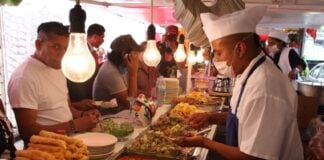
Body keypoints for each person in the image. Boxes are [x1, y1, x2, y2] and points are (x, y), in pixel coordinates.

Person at [173, 6, 304, 160]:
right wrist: (210, 117)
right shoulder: (248, 73)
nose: (217, 60)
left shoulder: (265, 88)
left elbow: (253, 157)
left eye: (219, 53)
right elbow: (241, 116)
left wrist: (204, 142)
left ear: (240, 48)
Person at [7, 22, 100, 146]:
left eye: (66, 48)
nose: (62, 53)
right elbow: (27, 132)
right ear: (38, 45)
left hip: (70, 141)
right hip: (46, 149)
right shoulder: (24, 77)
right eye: (56, 47)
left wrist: (84, 115)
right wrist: (74, 126)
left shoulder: (58, 67)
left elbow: (64, 107)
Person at [93, 34, 143, 115]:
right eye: (135, 53)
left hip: (119, 114)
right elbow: (131, 104)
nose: (137, 57)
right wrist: (133, 73)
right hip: (107, 120)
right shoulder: (111, 72)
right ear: (125, 55)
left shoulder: (119, 67)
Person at [67, 23, 105, 102]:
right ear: (95, 37)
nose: (103, 40)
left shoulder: (90, 50)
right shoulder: (82, 49)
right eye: (102, 37)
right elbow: (82, 72)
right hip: (80, 91)